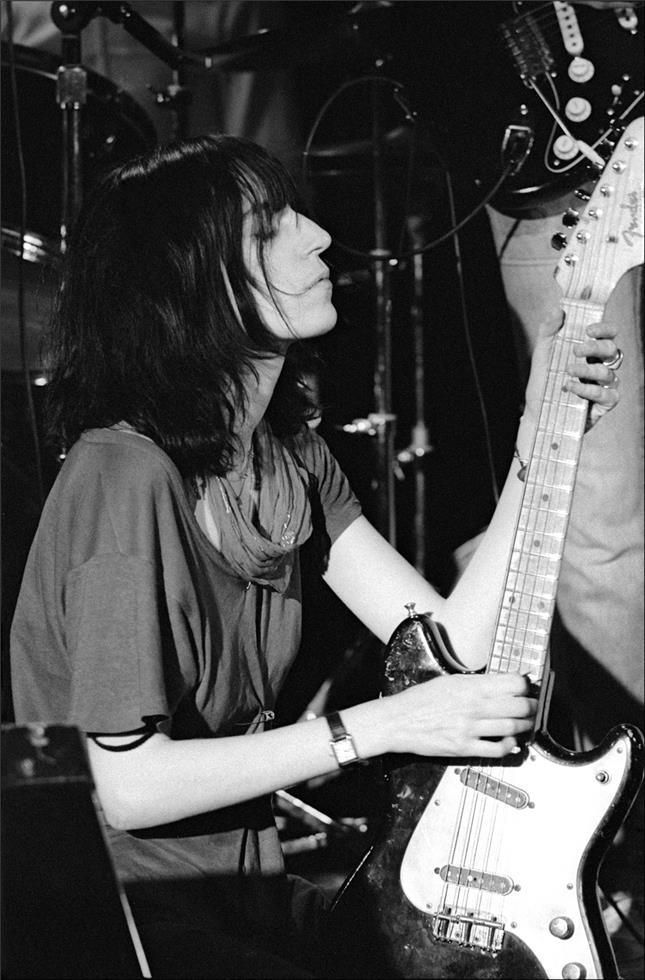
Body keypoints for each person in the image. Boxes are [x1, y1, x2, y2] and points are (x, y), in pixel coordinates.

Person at [9, 134, 623, 979]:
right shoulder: (121, 475)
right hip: (128, 922)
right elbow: (129, 787)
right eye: (270, 227)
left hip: (245, 893)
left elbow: (452, 648)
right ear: (192, 284)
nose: (317, 235)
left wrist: (537, 433)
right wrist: (381, 727)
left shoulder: (287, 455)